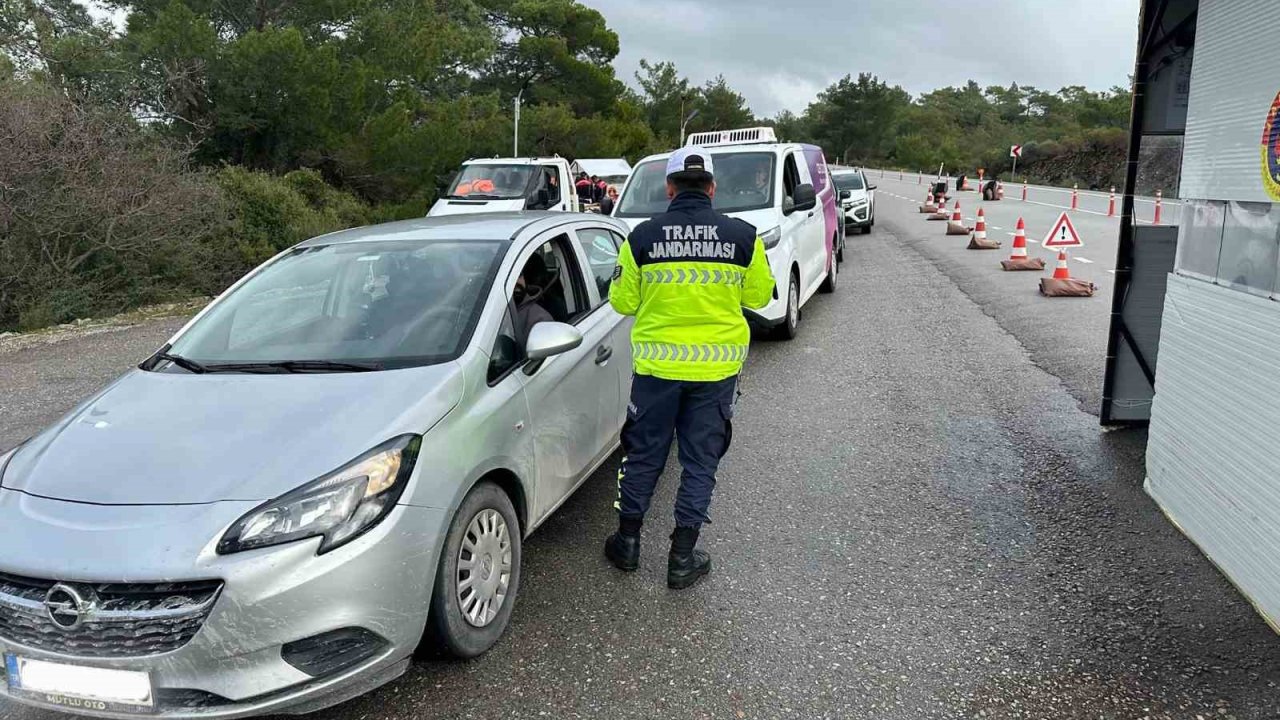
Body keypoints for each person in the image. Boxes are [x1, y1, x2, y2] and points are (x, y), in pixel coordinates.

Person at [605, 146, 776, 590]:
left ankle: (627, 544)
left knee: (644, 455)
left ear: (669, 187)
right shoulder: (743, 237)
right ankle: (682, 558)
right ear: (713, 188)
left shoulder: (641, 237)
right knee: (700, 461)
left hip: (656, 372)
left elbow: (622, 301)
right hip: (715, 373)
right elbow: (759, 296)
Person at [513, 254, 554, 346]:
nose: (516, 282)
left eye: (519, 275)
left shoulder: (540, 320)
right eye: (510, 277)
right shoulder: (483, 314)